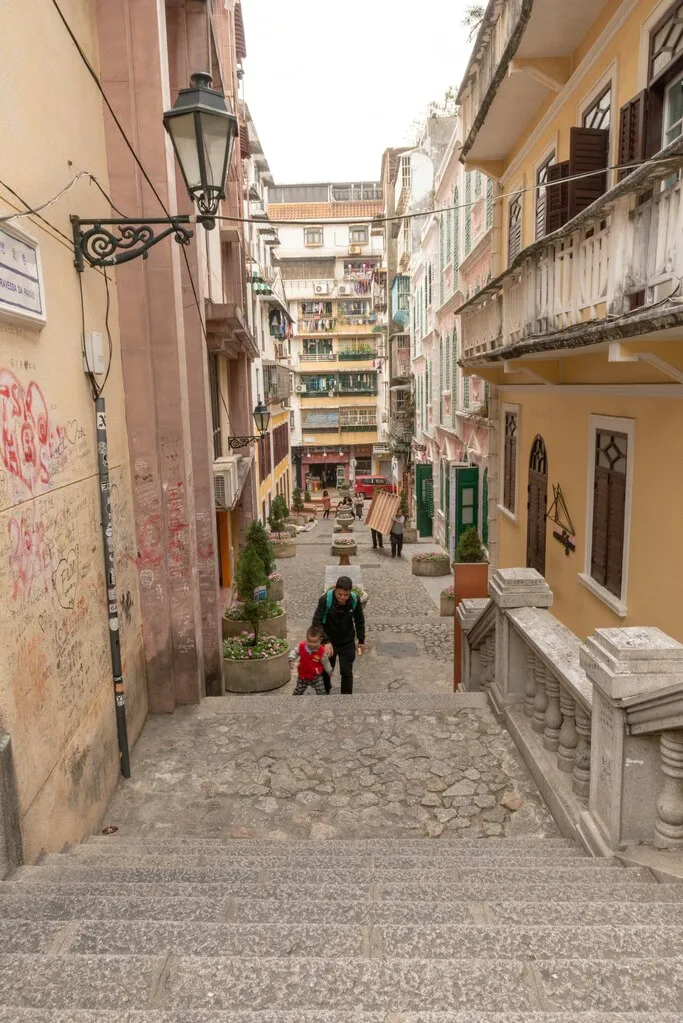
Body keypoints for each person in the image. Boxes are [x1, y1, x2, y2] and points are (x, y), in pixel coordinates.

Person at [312, 575, 365, 695]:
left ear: (350, 592)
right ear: (335, 588)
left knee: (347, 671)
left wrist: (361, 640)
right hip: (329, 640)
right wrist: (325, 641)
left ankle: (346, 698)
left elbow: (359, 620)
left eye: (346, 595)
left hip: (347, 641)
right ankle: (325, 693)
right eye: (340, 594)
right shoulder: (325, 599)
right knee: (326, 670)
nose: (343, 598)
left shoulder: (354, 600)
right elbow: (316, 622)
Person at [289, 625, 333, 696]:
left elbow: (326, 662)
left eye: (315, 642)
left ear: (320, 640)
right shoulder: (301, 646)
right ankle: (294, 702)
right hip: (303, 675)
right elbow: (294, 652)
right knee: (298, 691)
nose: (312, 644)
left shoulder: (321, 651)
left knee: (321, 691)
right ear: (306, 638)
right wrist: (291, 659)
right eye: (309, 641)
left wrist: (329, 671)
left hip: (316, 676)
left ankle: (322, 703)